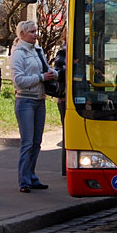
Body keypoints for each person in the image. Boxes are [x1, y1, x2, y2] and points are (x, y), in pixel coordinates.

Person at [10, 20, 56, 193]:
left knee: (37, 142)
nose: (35, 35)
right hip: (25, 101)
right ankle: (24, 180)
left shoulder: (37, 50)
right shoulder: (17, 53)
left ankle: (32, 176)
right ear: (22, 34)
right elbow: (19, 81)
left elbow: (46, 68)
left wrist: (54, 73)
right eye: (32, 32)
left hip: (39, 100)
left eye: (36, 31)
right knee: (27, 142)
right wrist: (42, 77)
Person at [52, 42, 67, 176]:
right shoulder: (64, 50)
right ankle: (66, 168)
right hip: (66, 97)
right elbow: (58, 73)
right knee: (68, 134)